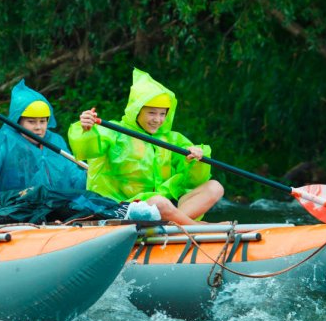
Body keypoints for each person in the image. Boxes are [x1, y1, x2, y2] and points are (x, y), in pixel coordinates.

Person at [68, 68, 223, 225]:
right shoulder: (114, 132)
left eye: (162, 114)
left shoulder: (172, 139)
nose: (157, 119)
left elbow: (191, 182)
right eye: (152, 113)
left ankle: (174, 222)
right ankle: (196, 227)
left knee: (215, 187)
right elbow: (87, 149)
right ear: (137, 111)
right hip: (121, 208)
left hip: (164, 207)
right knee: (159, 202)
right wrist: (86, 130)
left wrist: (195, 161)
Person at [0, 79, 85, 192]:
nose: (38, 127)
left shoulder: (55, 141)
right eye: (31, 121)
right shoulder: (6, 142)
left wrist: (94, 169)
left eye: (43, 121)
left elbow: (76, 179)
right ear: (18, 122)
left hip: (58, 208)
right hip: (15, 209)